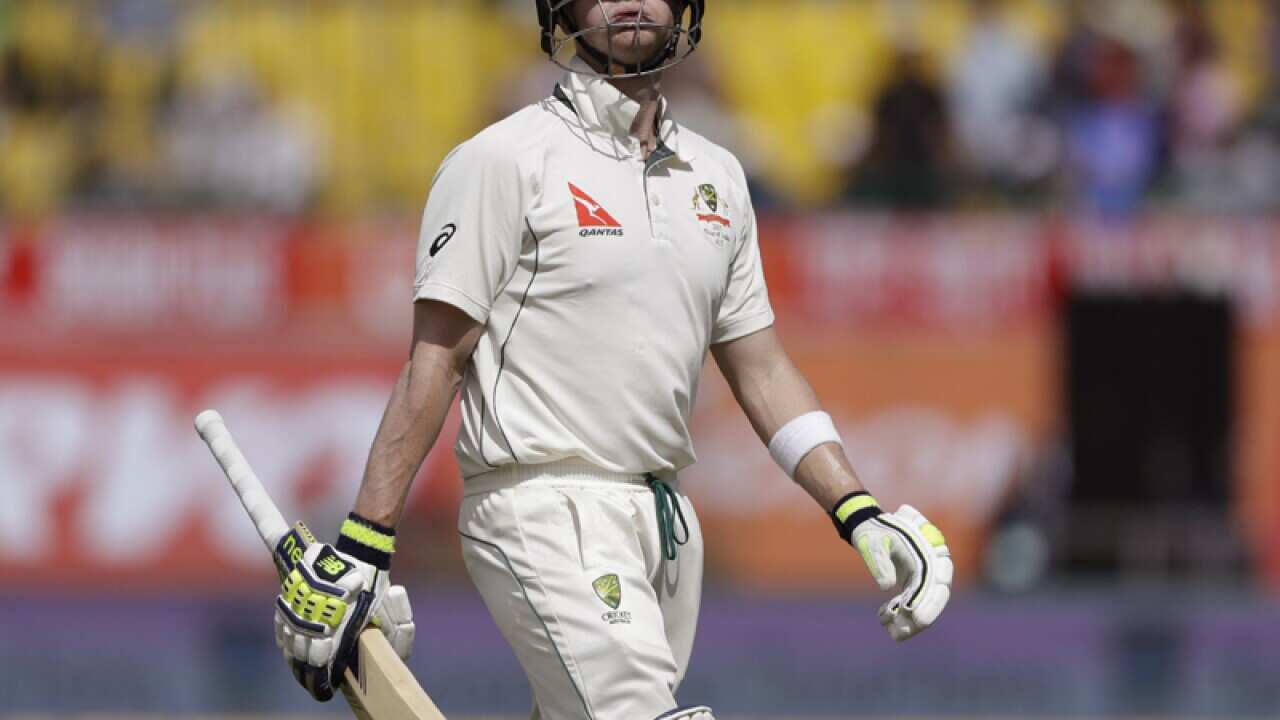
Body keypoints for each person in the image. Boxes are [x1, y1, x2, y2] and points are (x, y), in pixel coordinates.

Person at [270, 3, 953, 719]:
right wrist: (364, 544)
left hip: (662, 524)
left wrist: (859, 511)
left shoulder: (716, 175)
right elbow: (436, 360)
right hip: (540, 504)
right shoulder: (502, 160)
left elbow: (763, 369)